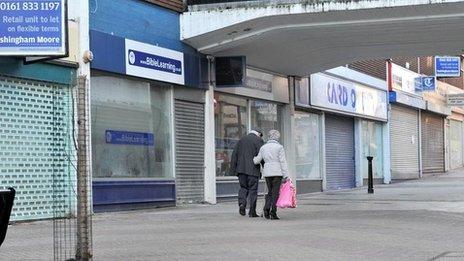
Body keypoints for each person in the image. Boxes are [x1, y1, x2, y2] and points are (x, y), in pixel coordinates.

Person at [253, 130, 288, 220]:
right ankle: (273, 212)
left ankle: (266, 209)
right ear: (277, 137)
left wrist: (252, 157)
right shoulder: (279, 147)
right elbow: (283, 161)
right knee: (275, 193)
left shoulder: (263, 147)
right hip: (277, 172)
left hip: (267, 172)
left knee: (270, 192)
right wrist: (286, 175)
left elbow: (257, 160)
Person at [229, 128, 264, 217]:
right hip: (253, 170)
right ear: (259, 134)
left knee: (243, 188)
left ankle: (242, 204)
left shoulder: (241, 139)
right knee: (253, 190)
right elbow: (262, 155)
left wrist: (233, 170)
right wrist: (265, 167)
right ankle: (252, 212)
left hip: (241, 170)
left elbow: (234, 155)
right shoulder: (258, 140)